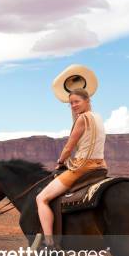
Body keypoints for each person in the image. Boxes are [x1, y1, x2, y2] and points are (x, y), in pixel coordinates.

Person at [35, 87, 107, 247]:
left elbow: (69, 147)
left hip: (83, 167)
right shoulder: (98, 117)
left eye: (77, 102)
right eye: (71, 103)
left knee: (41, 198)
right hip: (100, 166)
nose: (74, 105)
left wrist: (60, 161)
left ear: (87, 101)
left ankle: (49, 242)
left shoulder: (83, 119)